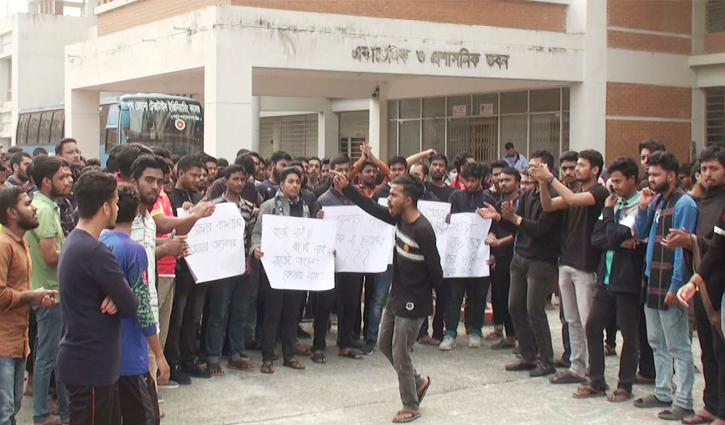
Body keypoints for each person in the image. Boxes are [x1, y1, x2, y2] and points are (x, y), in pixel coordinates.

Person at [332, 170, 440, 423]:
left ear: (408, 200)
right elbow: (371, 207)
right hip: (397, 295)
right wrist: (347, 188)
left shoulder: (423, 229)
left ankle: (411, 405)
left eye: (393, 194)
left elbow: (437, 272)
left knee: (401, 353)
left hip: (413, 302)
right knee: (383, 344)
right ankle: (418, 381)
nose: (388, 199)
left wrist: (428, 304)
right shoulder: (399, 218)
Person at [56, 170, 138, 425]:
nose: (117, 208)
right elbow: (130, 304)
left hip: (89, 363)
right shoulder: (94, 251)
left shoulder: (75, 241)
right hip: (91, 366)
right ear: (105, 207)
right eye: (115, 202)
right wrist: (120, 295)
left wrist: (117, 295)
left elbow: (121, 300)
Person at [479, 150, 563, 378]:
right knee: (515, 305)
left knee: (534, 309)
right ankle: (528, 354)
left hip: (541, 260)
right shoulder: (527, 195)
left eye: (535, 165)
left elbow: (540, 230)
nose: (530, 169)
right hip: (521, 257)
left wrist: (514, 219)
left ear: (547, 167)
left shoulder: (554, 195)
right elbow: (517, 228)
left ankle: (546, 360)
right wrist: (500, 218)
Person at [529, 150, 608, 386]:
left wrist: (550, 178)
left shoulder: (598, 192)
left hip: (586, 264)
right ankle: (577, 366)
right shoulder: (576, 191)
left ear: (595, 170)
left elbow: (573, 201)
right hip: (566, 261)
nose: (576, 170)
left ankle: (594, 369)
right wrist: (543, 182)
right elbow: (549, 205)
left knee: (587, 321)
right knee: (571, 319)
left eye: (582, 166)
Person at [574, 157, 646, 401]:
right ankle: (596, 379)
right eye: (612, 181)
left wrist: (608, 217)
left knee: (628, 331)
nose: (614, 186)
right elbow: (598, 239)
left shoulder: (638, 206)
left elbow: (616, 233)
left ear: (632, 180)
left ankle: (625, 384)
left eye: (618, 181)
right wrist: (614, 236)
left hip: (627, 277)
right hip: (605, 277)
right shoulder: (615, 204)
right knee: (593, 325)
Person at [634, 150, 697, 420]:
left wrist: (676, 284)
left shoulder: (685, 204)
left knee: (678, 346)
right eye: (649, 174)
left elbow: (682, 249)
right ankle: (662, 391)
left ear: (671, 175)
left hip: (670, 284)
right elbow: (640, 233)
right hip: (653, 281)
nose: (651, 179)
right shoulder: (658, 201)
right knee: (656, 341)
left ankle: (683, 400)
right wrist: (643, 207)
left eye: (656, 174)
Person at [100, 184, 170, 425]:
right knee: (145, 417)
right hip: (131, 356)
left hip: (105, 355)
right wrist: (159, 355)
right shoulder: (133, 249)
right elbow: (142, 308)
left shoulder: (98, 242)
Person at [670, 146, 725, 425]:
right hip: (702, 282)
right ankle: (711, 405)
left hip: (718, 284)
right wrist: (689, 241)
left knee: (721, 349)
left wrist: (691, 242)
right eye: (704, 169)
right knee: (705, 348)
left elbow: (718, 248)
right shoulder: (702, 201)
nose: (707, 174)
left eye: (714, 168)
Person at [0, 186, 57, 425]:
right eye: (26, 204)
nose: (33, 207)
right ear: (12, 213)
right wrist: (30, 296)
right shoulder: (3, 245)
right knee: (5, 412)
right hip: (3, 343)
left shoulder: (21, 242)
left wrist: (35, 298)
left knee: (11, 409)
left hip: (17, 341)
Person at [24, 156, 73, 425]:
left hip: (54, 291)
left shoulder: (48, 206)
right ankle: (41, 413)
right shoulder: (42, 209)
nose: (69, 181)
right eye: (62, 177)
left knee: (56, 354)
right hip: (49, 294)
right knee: (46, 356)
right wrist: (75, 251)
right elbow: (49, 255)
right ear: (46, 181)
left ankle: (65, 411)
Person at [251, 167, 310, 374]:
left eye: (298, 182)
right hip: (273, 270)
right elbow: (257, 233)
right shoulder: (269, 206)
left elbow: (307, 237)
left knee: (292, 315)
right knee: (272, 315)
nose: (295, 185)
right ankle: (268, 358)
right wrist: (255, 248)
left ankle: (289, 355)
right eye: (291, 181)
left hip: (295, 270)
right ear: (282, 184)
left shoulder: (304, 208)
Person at [164, 155, 214, 384]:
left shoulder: (199, 198)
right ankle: (172, 363)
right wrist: (185, 213)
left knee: (193, 318)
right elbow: (167, 228)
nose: (198, 179)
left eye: (202, 175)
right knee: (177, 318)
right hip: (179, 267)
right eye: (194, 175)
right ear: (180, 173)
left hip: (200, 266)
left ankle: (188, 360)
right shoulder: (168, 198)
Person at [206, 161, 258, 375]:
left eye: (242, 180)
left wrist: (248, 260)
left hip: (242, 268)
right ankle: (212, 356)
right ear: (225, 180)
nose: (238, 183)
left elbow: (251, 237)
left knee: (240, 311)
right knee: (218, 312)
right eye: (234, 179)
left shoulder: (248, 207)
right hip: (221, 268)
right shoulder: (214, 205)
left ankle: (235, 353)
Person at [312, 155, 365, 360]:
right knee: (325, 304)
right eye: (339, 170)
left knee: (350, 302)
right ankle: (318, 346)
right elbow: (314, 232)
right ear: (331, 172)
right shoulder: (323, 200)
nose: (343, 174)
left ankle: (345, 344)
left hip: (352, 259)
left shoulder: (357, 197)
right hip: (329, 261)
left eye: (346, 170)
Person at [439, 162, 495, 351]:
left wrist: (492, 243)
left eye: (473, 181)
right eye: (466, 181)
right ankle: (451, 332)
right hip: (459, 256)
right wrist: (449, 219)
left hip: (480, 255)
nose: (469, 184)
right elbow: (451, 222)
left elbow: (494, 226)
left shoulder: (488, 199)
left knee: (478, 296)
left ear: (481, 180)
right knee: (454, 295)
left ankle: (475, 330)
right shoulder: (456, 196)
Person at [485, 167, 519, 349]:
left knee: (516, 300)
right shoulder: (497, 204)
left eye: (508, 180)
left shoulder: (522, 203)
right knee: (500, 296)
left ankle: (520, 336)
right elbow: (494, 225)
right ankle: (509, 335)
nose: (503, 183)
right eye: (500, 180)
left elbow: (521, 230)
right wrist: (491, 238)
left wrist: (501, 242)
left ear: (517, 182)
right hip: (499, 257)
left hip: (516, 254)